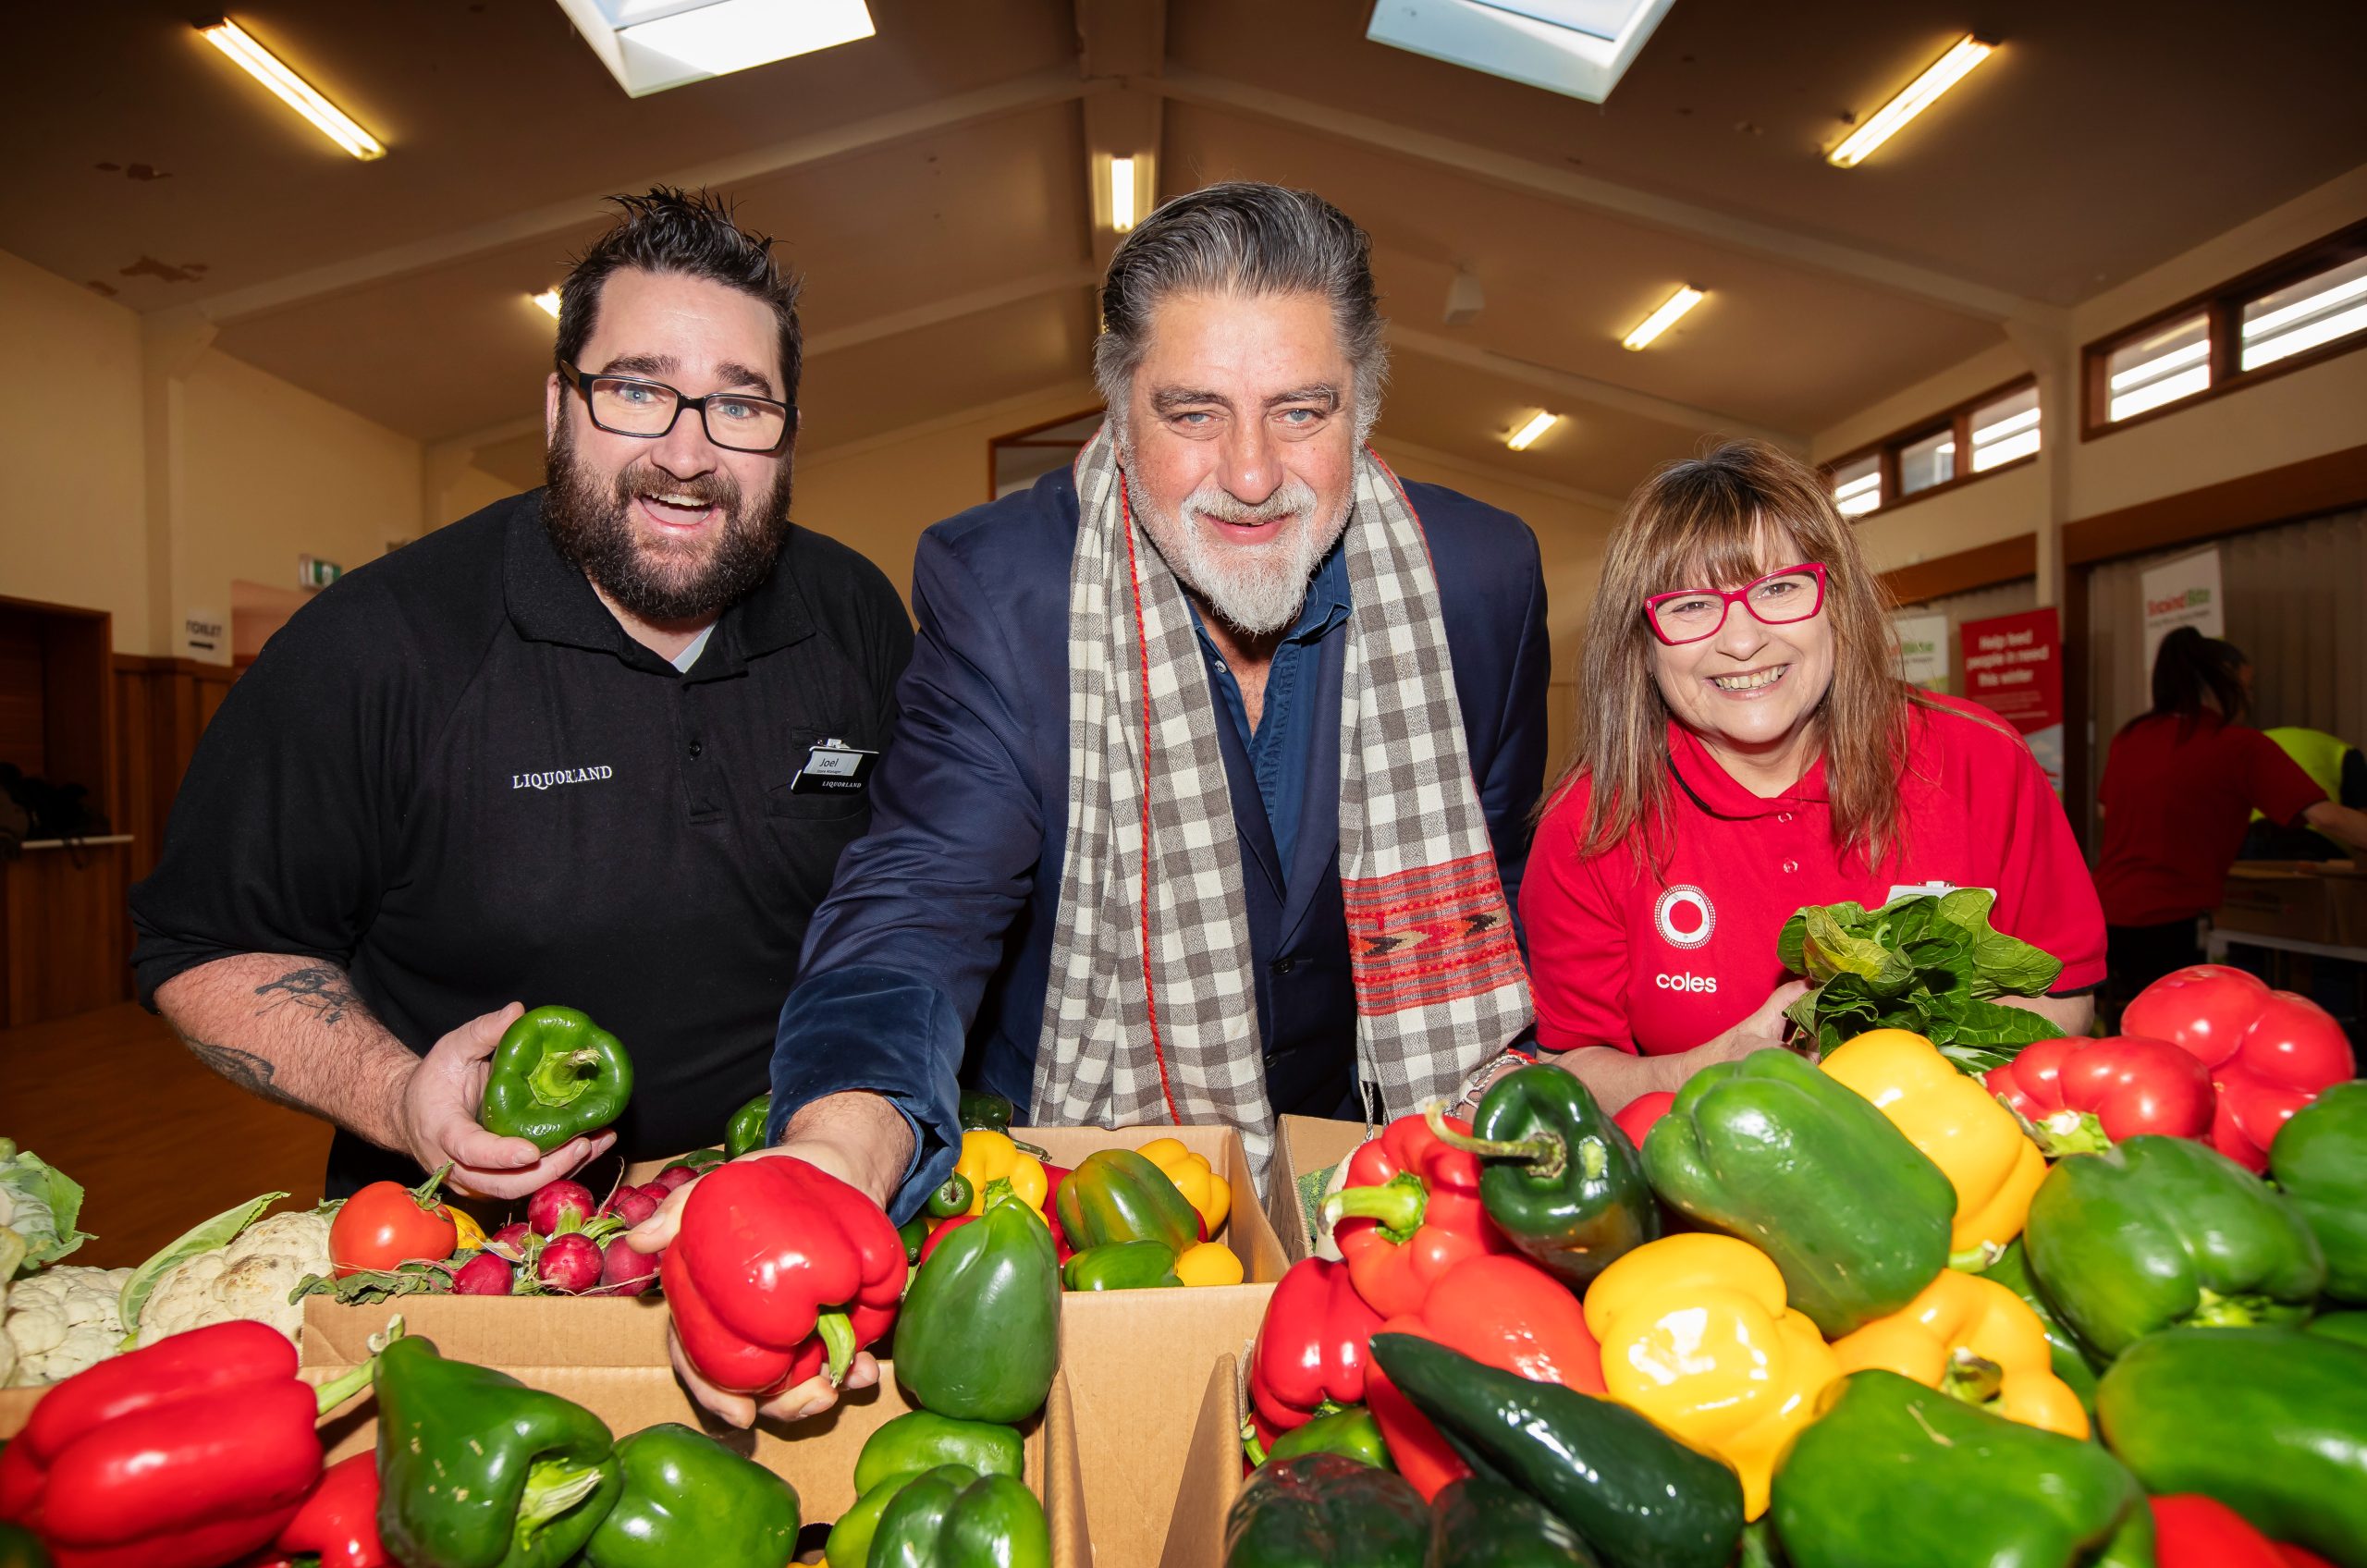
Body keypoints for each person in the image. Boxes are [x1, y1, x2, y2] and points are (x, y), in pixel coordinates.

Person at [630, 185, 1549, 1389]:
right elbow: (922, 888)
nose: (1255, 473)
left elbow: (1504, 879)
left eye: (1303, 410)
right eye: (1193, 412)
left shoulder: (1478, 580)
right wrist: (837, 1142)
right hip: (1083, 1170)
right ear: (1121, 407)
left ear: (1364, 404)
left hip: (1374, 1165)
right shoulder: (1005, 585)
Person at [131, 189, 914, 1218]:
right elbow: (208, 951)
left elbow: (917, 887)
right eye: (636, 391)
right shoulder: (376, 645)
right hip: (474, 1249)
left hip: (805, 1206)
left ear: (786, 435)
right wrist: (399, 1096)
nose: (686, 455)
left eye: (740, 404)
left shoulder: (853, 610)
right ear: (558, 408)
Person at [1517, 441, 2103, 1110]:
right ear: (1643, 645)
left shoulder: (1981, 759)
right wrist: (1709, 1068)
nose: (1741, 641)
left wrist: (1915, 1074)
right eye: (1689, 605)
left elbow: (2062, 992)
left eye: (1778, 588)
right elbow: (1574, 1065)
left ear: (1837, 603)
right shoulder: (1587, 824)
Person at [2095, 629, 2367, 1015]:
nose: (2249, 699)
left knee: (2138, 1028)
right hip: (2176, 920)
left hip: (2110, 917)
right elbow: (2326, 816)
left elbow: (2106, 810)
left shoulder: (2132, 735)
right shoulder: (2238, 744)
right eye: (2247, 687)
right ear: (2220, 680)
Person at [2238, 725, 2366, 862]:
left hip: (2245, 839)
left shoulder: (2251, 744)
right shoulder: (2346, 752)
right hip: (2312, 841)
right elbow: (2360, 829)